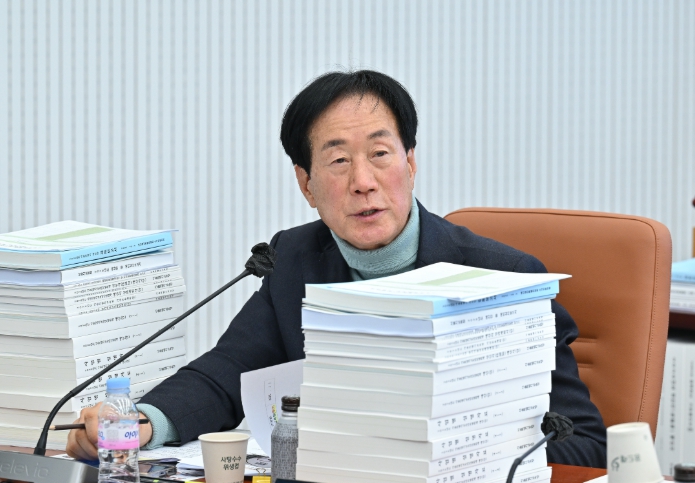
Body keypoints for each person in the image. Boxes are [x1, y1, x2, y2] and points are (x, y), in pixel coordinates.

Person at [67, 70, 607, 467]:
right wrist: (141, 421)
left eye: (380, 154)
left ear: (411, 162)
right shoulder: (295, 261)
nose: (363, 182)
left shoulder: (505, 279)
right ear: (306, 185)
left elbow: (583, 444)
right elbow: (226, 374)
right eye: (338, 160)